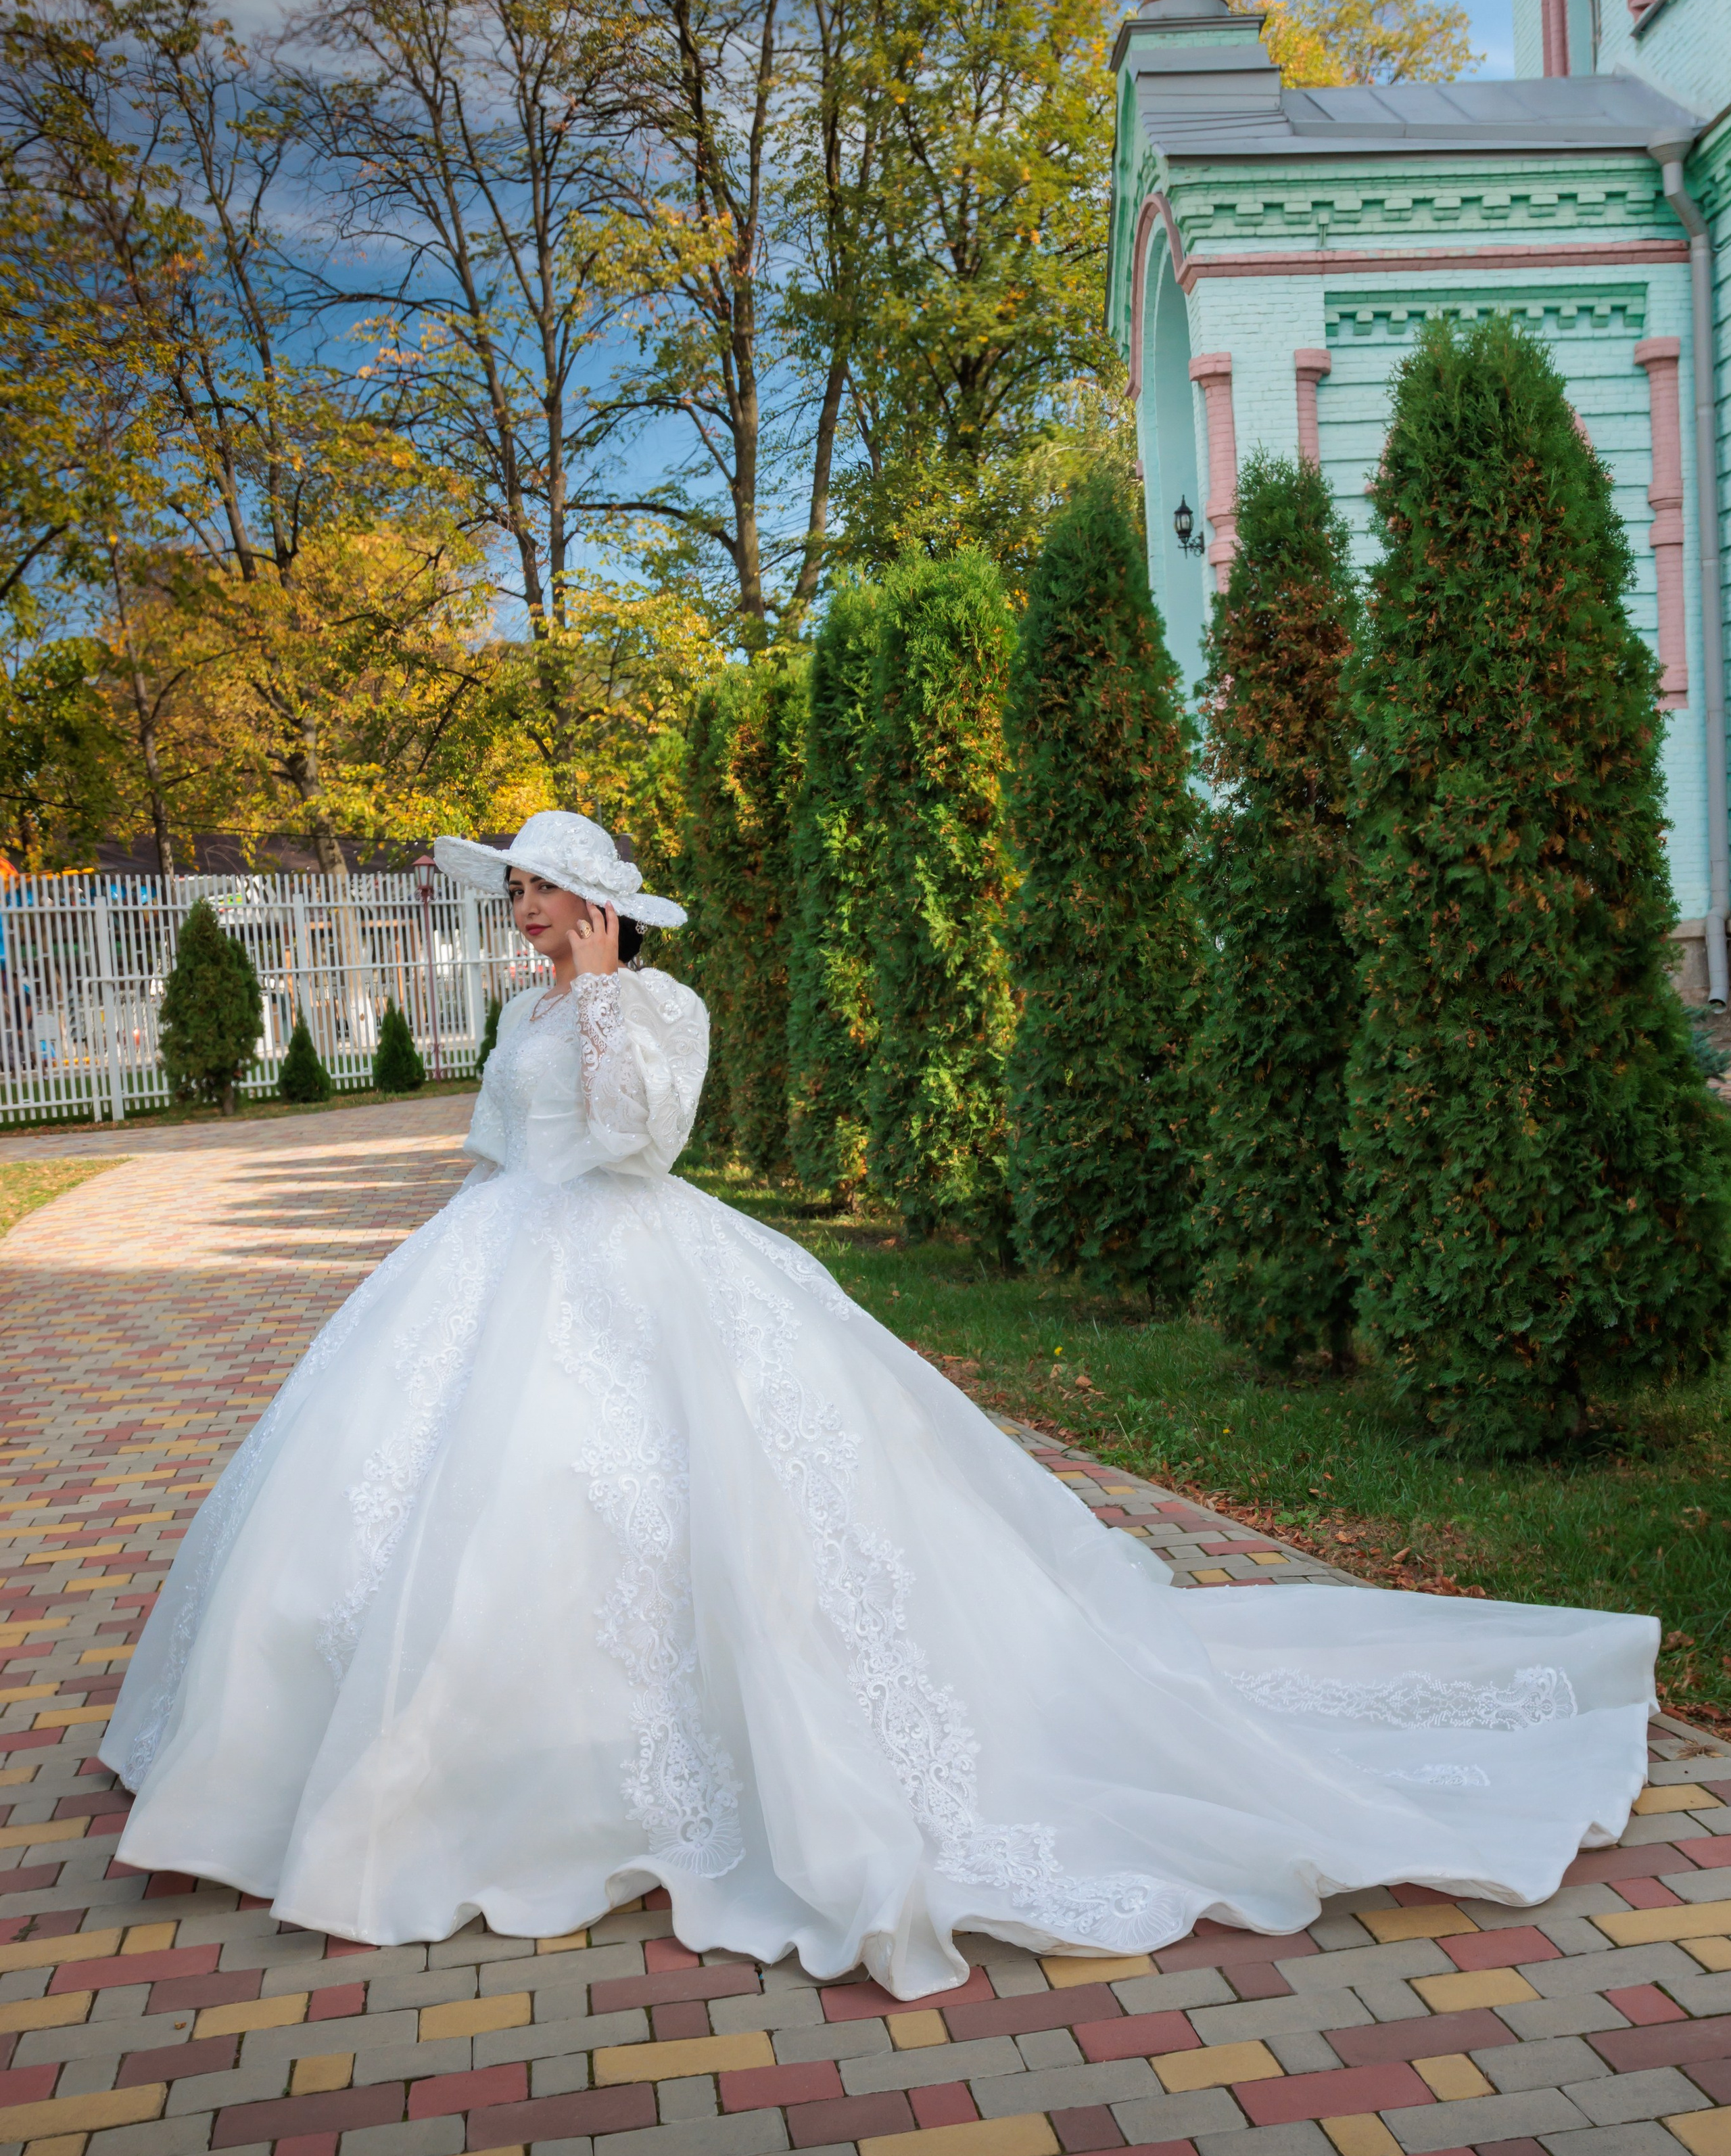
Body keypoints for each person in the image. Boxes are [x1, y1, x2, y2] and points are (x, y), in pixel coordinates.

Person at [103, 810, 1657, 1999]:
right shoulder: (515, 1017)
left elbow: (640, 1146)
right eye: (513, 893)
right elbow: (501, 1149)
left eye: (537, 893)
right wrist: (466, 1232)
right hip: (500, 1257)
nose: (519, 914)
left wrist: (600, 1001)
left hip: (639, 1256)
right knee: (450, 1497)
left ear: (594, 905)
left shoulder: (656, 1009)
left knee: (691, 1503)